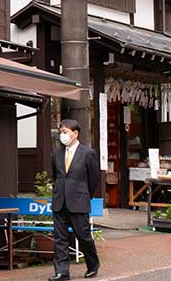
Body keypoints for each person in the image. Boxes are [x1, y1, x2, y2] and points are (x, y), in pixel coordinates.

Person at [49, 119, 100, 281]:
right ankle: (62, 272)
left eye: (65, 132)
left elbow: (94, 179)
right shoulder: (56, 153)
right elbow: (55, 175)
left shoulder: (88, 153)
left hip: (78, 201)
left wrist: (84, 194)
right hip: (59, 201)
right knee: (60, 239)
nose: (62, 135)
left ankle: (93, 264)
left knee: (83, 236)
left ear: (75, 133)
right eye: (60, 132)